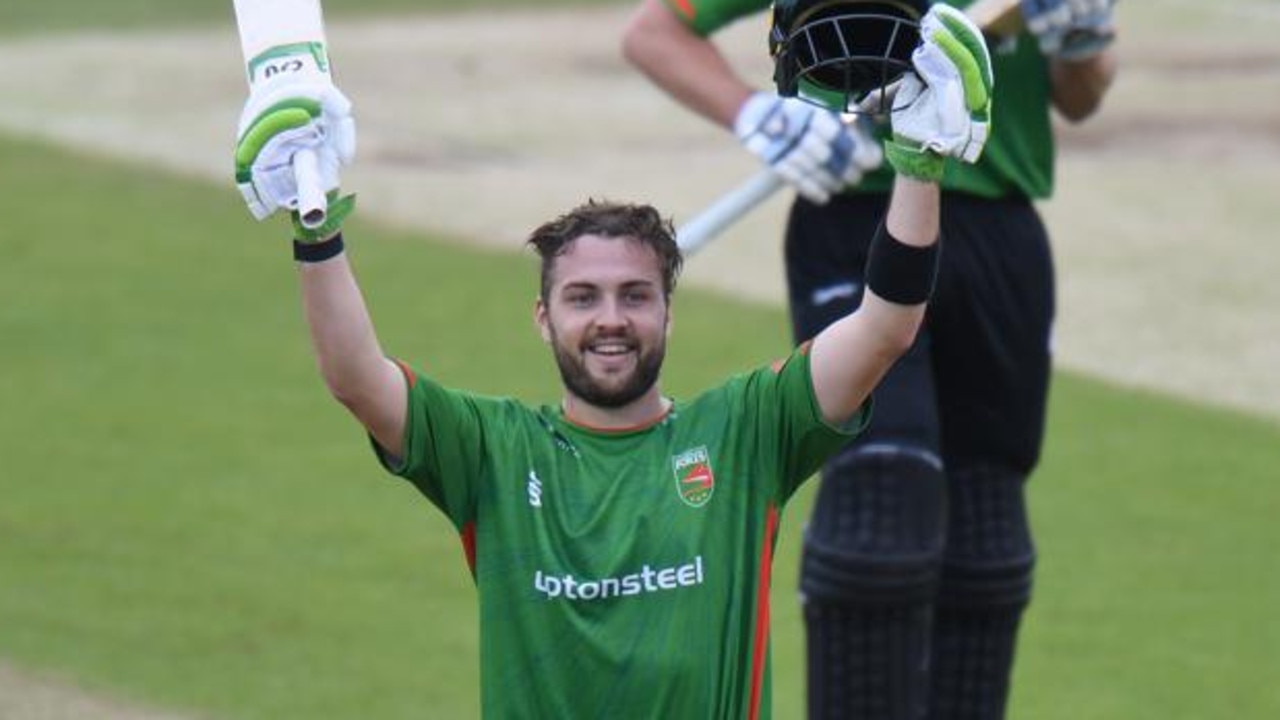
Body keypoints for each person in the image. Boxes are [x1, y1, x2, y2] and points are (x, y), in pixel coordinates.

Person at [232, 4, 990, 717]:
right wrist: (317, 231)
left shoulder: (747, 432)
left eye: (634, 296)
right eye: (583, 298)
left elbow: (887, 327)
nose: (610, 321)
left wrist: (917, 170)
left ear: (667, 310)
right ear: (544, 317)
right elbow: (355, 375)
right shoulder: (492, 452)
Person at [622, 0, 1117, 718]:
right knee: (879, 519)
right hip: (856, 219)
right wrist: (759, 116)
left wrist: (1081, 44)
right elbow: (653, 31)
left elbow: (1081, 95)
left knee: (988, 541)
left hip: (1001, 221)